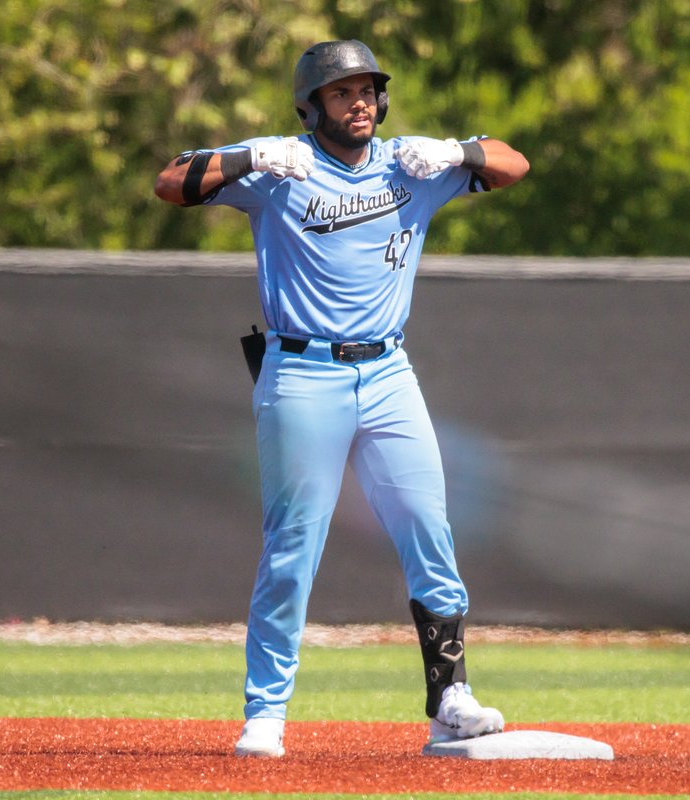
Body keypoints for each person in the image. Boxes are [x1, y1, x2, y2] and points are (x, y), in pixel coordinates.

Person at [153, 39, 529, 758]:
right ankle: (265, 712)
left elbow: (516, 164)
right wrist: (250, 157)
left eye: (367, 89)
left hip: (388, 374)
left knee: (429, 527)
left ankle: (450, 696)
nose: (358, 101)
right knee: (293, 546)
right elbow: (172, 183)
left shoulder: (409, 167)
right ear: (310, 104)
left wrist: (458, 151)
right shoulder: (280, 169)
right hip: (301, 373)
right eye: (340, 91)